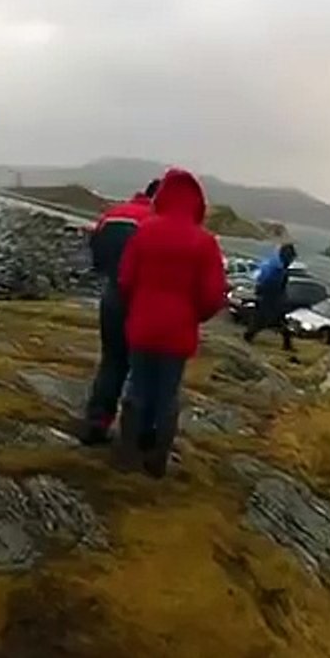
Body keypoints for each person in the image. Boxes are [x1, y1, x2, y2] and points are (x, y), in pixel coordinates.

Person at [117, 167, 228, 477]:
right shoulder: (205, 242)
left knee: (137, 388)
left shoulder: (145, 230)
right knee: (167, 395)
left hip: (143, 325)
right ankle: (156, 460)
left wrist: (137, 308)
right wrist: (194, 316)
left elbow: (125, 280)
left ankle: (127, 454)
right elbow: (212, 296)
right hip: (177, 332)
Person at [78, 179, 158, 445]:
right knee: (144, 367)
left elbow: (96, 255)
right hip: (142, 299)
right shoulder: (155, 221)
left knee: (112, 361)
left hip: (112, 296)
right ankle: (138, 434)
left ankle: (97, 421)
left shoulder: (113, 214)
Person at [243, 243, 299, 352]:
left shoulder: (273, 263)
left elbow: (262, 278)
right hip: (271, 299)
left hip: (271, 298)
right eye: (291, 258)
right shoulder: (277, 269)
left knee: (274, 321)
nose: (291, 261)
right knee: (263, 321)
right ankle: (248, 336)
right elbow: (273, 285)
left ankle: (287, 344)